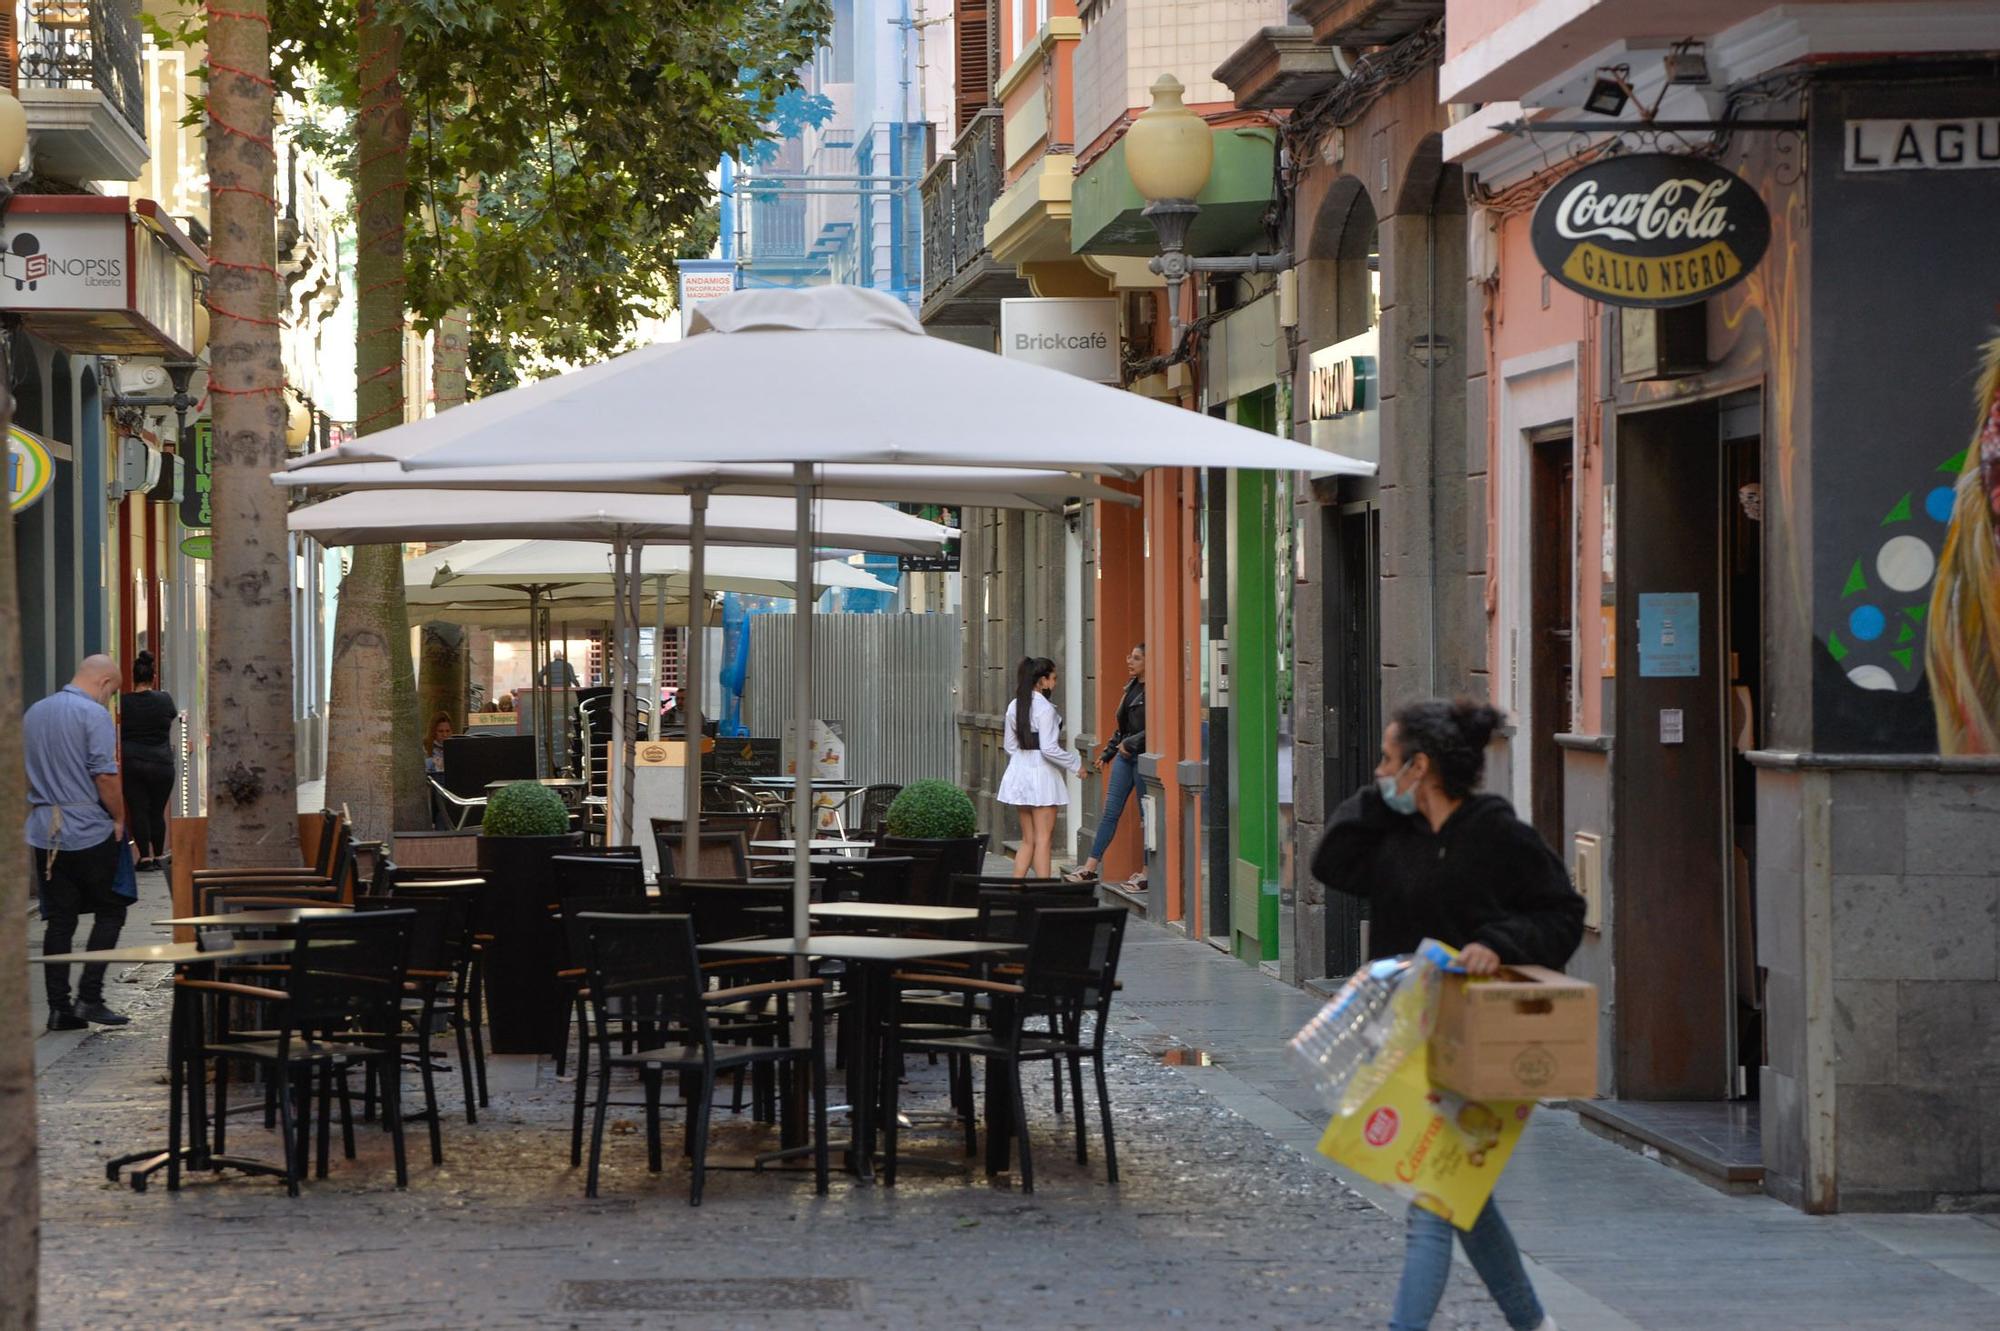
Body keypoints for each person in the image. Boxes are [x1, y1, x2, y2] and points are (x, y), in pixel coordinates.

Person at [1311, 698, 1581, 1331]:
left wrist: (1499, 944)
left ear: (1420, 766)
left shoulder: (1497, 832)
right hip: (1407, 1039)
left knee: (1431, 1200)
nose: (1379, 770)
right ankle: (1535, 1324)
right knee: (1463, 1195)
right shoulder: (1394, 837)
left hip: (1478, 1043)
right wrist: (1383, 794)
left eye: (1387, 759)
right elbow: (1331, 860)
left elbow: (1564, 915)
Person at [27, 655, 132, 1030]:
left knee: (60, 920)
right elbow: (104, 773)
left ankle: (59, 1009)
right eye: (113, 692)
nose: (111, 700)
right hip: (87, 827)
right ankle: (89, 996)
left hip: (44, 829)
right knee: (112, 908)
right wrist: (119, 818)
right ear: (104, 682)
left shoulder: (35, 712)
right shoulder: (94, 715)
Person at [997, 655, 1080, 879]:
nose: (1055, 683)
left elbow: (1009, 746)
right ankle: (1044, 891)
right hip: (1042, 775)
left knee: (1028, 840)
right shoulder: (1045, 709)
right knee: (1044, 840)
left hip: (1020, 771)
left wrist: (1024, 761)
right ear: (1041, 680)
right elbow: (1049, 748)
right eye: (1053, 678)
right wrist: (1075, 765)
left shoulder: (1015, 705)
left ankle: (1016, 889)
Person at [1068, 642, 1145, 883]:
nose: (1129, 661)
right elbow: (1122, 728)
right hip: (1124, 758)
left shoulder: (1156, 690)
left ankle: (1146, 872)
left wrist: (1129, 744)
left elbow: (1157, 729)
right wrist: (1109, 751)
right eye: (1129, 656)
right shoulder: (1131, 687)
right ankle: (1090, 868)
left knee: (1147, 817)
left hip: (1144, 760)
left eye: (1136, 658)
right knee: (1110, 812)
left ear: (1150, 662)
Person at [119, 650, 177, 872]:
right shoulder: (164, 700)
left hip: (132, 762)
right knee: (156, 811)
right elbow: (171, 717)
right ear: (153, 677)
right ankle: (160, 854)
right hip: (161, 762)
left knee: (138, 809)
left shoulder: (124, 703)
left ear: (132, 677)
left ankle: (144, 858)